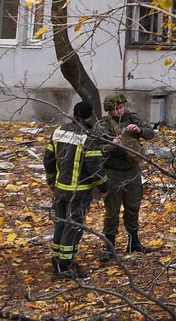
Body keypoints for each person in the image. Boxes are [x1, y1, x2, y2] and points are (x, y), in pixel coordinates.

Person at [44, 100, 106, 279]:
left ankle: (56, 260)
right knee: (74, 227)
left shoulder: (59, 131)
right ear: (90, 115)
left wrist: (51, 180)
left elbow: (48, 158)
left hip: (60, 189)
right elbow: (94, 165)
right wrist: (104, 186)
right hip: (79, 192)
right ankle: (65, 266)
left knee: (61, 223)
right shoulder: (90, 136)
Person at [96, 93, 156, 261]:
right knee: (112, 211)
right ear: (109, 111)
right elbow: (97, 150)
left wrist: (140, 130)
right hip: (113, 171)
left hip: (132, 170)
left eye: (120, 107)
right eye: (115, 109)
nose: (119, 111)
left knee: (133, 207)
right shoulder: (103, 126)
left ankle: (133, 242)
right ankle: (110, 247)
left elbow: (150, 133)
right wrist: (112, 145)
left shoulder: (133, 118)